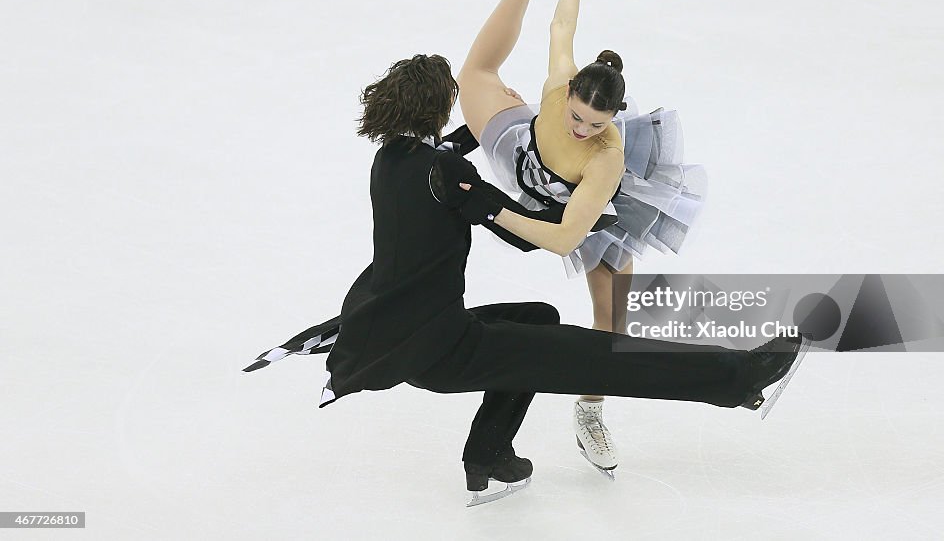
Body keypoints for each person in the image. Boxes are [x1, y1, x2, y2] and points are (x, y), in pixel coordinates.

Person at [243, 53, 801, 506]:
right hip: (444, 348)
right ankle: (739, 380)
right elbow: (523, 234)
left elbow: (451, 153)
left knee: (538, 319)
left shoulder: (393, 158)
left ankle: (488, 456)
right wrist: (583, 214)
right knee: (596, 354)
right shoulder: (447, 174)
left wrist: (507, 125)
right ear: (436, 105)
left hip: (414, 326)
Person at [456, 0, 706, 473]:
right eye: (576, 117)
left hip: (581, 211)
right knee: (474, 74)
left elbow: (568, 237)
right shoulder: (559, 81)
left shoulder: (608, 159)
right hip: (519, 151)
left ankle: (591, 408)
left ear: (614, 118)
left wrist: (491, 210)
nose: (582, 128)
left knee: (613, 319)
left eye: (596, 124)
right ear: (568, 91)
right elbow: (561, 25)